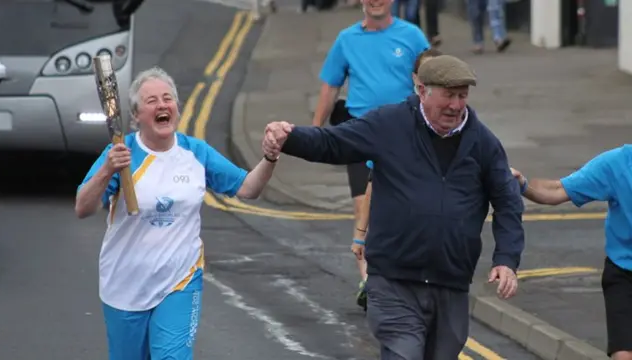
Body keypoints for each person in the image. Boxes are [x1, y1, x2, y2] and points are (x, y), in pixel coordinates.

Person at [263, 55, 525, 359]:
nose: (456, 105)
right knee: (403, 353)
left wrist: (506, 259)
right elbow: (334, 143)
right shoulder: (389, 124)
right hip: (393, 280)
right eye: (448, 95)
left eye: (462, 96)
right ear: (423, 90)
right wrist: (289, 137)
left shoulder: (483, 143)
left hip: (450, 283)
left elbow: (507, 202)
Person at [74, 67, 279, 360]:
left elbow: (248, 188)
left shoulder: (195, 152)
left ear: (177, 109)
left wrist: (270, 157)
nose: (162, 105)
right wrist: (107, 170)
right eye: (152, 101)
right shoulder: (121, 153)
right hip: (124, 285)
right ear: (136, 117)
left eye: (167, 99)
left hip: (179, 280)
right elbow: (83, 207)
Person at [312, 0, 430, 310]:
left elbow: (434, 81)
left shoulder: (413, 37)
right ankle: (370, 282)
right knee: (362, 205)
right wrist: (313, 134)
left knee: (406, 207)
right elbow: (330, 88)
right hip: (362, 135)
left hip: (406, 136)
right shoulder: (346, 40)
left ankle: (405, 274)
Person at [511, 150, 632, 360]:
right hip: (624, 274)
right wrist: (522, 183)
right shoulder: (618, 163)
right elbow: (557, 191)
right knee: (623, 355)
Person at [352, 48, 443, 311]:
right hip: (397, 238)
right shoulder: (394, 122)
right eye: (426, 74)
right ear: (415, 78)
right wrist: (360, 236)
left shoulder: (458, 123)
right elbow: (373, 182)